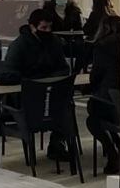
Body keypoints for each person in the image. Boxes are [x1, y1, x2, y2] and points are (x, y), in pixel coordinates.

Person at [4, 8, 71, 159]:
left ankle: (57, 144)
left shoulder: (54, 42)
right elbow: (7, 73)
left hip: (50, 92)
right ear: (32, 27)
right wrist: (32, 79)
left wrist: (49, 79)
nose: (47, 31)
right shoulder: (19, 46)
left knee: (65, 105)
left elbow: (63, 68)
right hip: (26, 97)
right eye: (43, 28)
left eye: (49, 27)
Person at [86, 15, 120, 174]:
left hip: (109, 96)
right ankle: (119, 145)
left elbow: (96, 75)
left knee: (93, 117)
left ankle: (113, 152)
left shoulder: (102, 47)